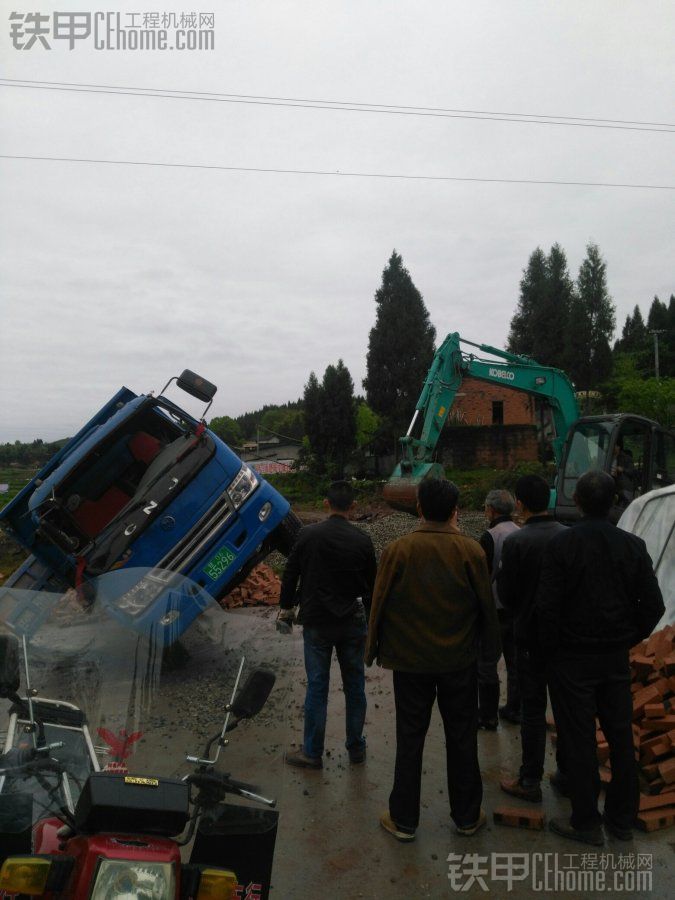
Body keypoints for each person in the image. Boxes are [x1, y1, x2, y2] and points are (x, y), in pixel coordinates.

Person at [365, 478, 500, 841]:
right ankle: (468, 816)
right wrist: (490, 652)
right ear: (455, 510)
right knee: (462, 736)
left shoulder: (398, 549)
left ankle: (404, 820)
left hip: (409, 663)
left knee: (410, 738)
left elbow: (378, 604)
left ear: (419, 508)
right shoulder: (472, 551)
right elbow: (487, 607)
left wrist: (372, 649)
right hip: (459, 661)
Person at [536, 470, 664, 845]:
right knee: (621, 736)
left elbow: (547, 609)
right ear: (613, 502)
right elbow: (653, 607)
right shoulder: (633, 546)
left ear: (576, 500)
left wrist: (551, 654)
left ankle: (586, 822)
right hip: (613, 658)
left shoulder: (562, 546)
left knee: (578, 741)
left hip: (572, 659)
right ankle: (622, 820)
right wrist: (627, 637)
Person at [279, 480, 377, 769]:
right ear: (354, 506)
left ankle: (312, 753)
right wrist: (372, 623)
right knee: (355, 686)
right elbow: (373, 587)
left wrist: (285, 606)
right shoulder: (362, 539)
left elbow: (290, 572)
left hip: (317, 621)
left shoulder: (308, 535)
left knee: (317, 687)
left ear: (326, 504)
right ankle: (356, 749)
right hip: (351, 621)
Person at [496, 474, 566, 802]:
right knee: (566, 708)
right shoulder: (569, 537)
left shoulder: (517, 543)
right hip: (566, 639)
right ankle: (566, 774)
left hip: (528, 637)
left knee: (533, 711)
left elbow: (506, 594)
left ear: (520, 504)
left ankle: (530, 779)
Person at [477, 489, 520, 728]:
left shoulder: (490, 536)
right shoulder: (520, 532)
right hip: (516, 609)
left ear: (491, 510)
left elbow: (482, 573)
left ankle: (488, 715)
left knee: (486, 663)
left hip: (493, 610)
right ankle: (514, 708)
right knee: (515, 663)